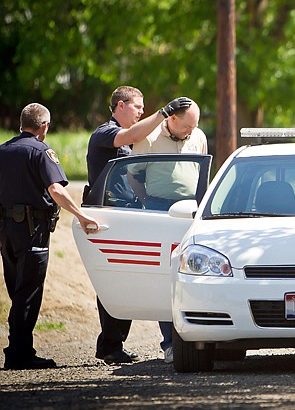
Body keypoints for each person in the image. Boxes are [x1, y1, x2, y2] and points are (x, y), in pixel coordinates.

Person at [86, 86, 191, 364]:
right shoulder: (105, 133)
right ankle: (110, 344)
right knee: (115, 277)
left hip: (127, 213)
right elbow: (132, 135)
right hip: (108, 214)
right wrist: (164, 113)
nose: (142, 111)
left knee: (128, 278)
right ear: (120, 106)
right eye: (137, 107)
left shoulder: (126, 137)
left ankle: (112, 344)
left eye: (144, 108)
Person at [0, 103, 100, 370]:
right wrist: (81, 215)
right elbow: (55, 189)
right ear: (44, 126)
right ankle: (19, 354)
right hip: (33, 231)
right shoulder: (42, 151)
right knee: (28, 292)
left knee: (16, 290)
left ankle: (19, 348)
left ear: (22, 124)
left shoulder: (4, 150)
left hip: (6, 232)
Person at [127, 99, 207, 364]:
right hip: (160, 210)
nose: (190, 132)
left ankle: (202, 337)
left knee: (196, 273)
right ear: (172, 119)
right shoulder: (148, 138)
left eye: (194, 127)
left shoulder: (198, 136)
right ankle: (170, 343)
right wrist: (149, 203)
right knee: (166, 278)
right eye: (186, 126)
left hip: (194, 212)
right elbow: (133, 176)